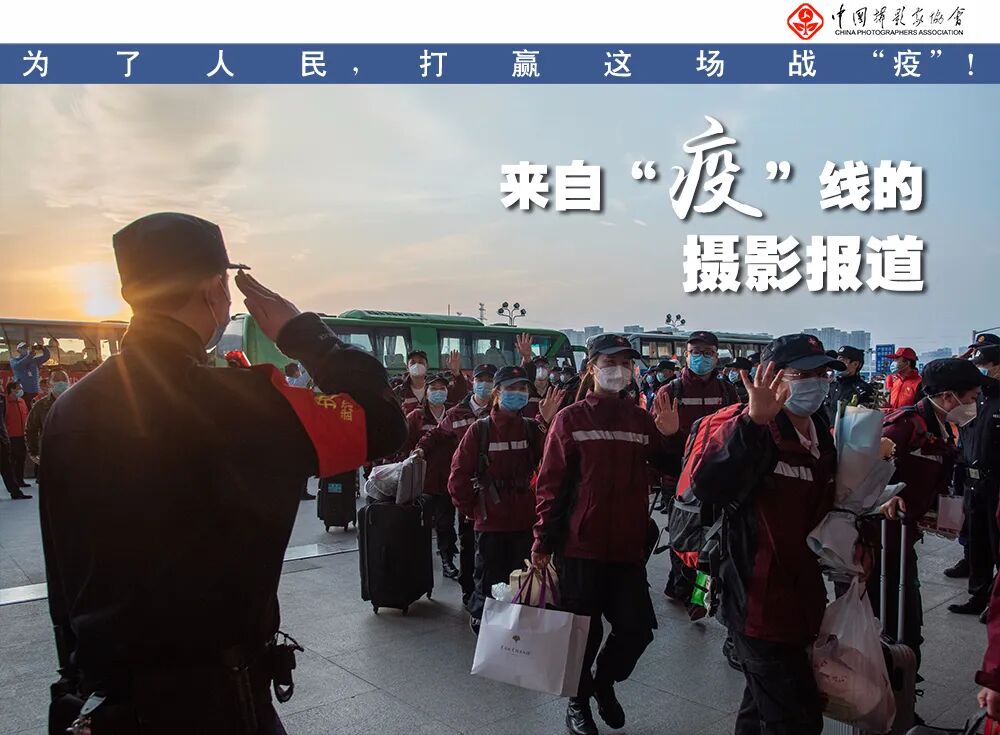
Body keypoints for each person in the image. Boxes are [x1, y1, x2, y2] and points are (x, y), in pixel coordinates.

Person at [39, 212, 406, 733]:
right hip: (218, 701)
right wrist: (303, 333)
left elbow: (61, 572)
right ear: (214, 289)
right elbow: (384, 422)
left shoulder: (68, 410)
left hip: (106, 701)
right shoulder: (245, 403)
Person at [686, 334, 843, 735]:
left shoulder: (821, 433)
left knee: (760, 709)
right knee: (795, 719)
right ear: (771, 377)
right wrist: (752, 424)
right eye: (802, 374)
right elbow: (707, 486)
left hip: (801, 596)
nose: (816, 383)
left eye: (822, 374)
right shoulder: (751, 428)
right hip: (755, 600)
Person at [532, 334, 681, 735]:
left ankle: (603, 683)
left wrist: (671, 435)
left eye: (625, 363)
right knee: (582, 633)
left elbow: (672, 466)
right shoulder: (571, 419)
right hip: (580, 546)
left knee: (637, 630)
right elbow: (551, 485)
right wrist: (543, 541)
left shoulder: (640, 420)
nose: (619, 370)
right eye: (610, 363)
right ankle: (578, 703)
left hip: (627, 548)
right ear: (592, 368)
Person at [869, 359, 980, 684]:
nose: (974, 404)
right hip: (881, 539)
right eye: (972, 397)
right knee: (892, 613)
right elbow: (864, 476)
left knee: (907, 614)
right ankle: (888, 684)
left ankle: (902, 681)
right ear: (948, 396)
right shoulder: (905, 426)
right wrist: (884, 498)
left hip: (906, 533)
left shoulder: (940, 426)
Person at [449, 365, 562, 634]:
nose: (518, 393)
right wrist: (473, 510)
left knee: (525, 585)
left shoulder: (532, 429)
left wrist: (547, 423)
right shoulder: (480, 431)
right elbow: (458, 477)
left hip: (526, 523)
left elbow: (553, 463)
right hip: (491, 525)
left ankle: (517, 639)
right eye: (511, 388)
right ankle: (488, 632)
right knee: (489, 583)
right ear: (497, 393)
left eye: (522, 388)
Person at [658, 331, 738, 605]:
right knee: (682, 534)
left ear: (716, 356)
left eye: (707, 353)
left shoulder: (727, 391)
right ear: (686, 355)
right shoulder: (671, 391)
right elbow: (658, 439)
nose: (701, 358)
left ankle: (702, 593)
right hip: (679, 476)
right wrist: (670, 436)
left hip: (717, 475)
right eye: (695, 352)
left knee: (715, 533)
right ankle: (680, 586)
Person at [416, 364, 499, 594]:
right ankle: (467, 587)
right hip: (462, 484)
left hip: (490, 488)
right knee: (464, 536)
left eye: (489, 380)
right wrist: (420, 449)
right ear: (473, 383)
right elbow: (436, 434)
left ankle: (487, 588)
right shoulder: (457, 413)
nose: (485, 384)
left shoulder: (498, 411)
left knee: (487, 539)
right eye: (480, 379)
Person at [948, 336, 1000, 618]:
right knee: (977, 542)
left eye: (986, 366)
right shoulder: (972, 400)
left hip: (996, 483)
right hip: (972, 481)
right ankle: (978, 596)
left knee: (996, 543)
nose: (982, 373)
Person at [394, 349, 467, 413]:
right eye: (412, 363)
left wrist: (456, 372)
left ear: (427, 366)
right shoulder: (398, 392)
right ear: (407, 367)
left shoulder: (439, 387)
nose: (417, 365)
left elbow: (460, 394)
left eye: (421, 362)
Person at [25, 369, 69, 467]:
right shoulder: (40, 406)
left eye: (64, 380)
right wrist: (34, 453)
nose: (61, 383)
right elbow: (31, 430)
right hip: (49, 456)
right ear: (49, 384)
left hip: (72, 457)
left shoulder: (76, 403)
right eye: (57, 380)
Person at [825, 345, 876, 423]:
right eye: (837, 359)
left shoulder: (863, 390)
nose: (837, 364)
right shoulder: (831, 386)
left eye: (842, 360)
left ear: (855, 364)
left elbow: (865, 421)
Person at [4, 380, 30, 487]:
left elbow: (27, 415)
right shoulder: (5, 403)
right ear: (12, 389)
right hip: (11, 436)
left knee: (21, 459)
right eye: (19, 388)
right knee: (12, 460)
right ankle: (13, 482)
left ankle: (20, 480)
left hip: (22, 435)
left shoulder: (22, 401)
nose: (21, 390)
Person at [11, 341, 51, 406]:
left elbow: (46, 356)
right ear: (18, 350)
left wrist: (43, 348)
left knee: (35, 409)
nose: (26, 349)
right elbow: (17, 366)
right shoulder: (14, 360)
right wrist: (29, 356)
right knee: (24, 409)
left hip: (35, 391)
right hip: (22, 391)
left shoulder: (34, 360)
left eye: (27, 348)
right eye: (23, 348)